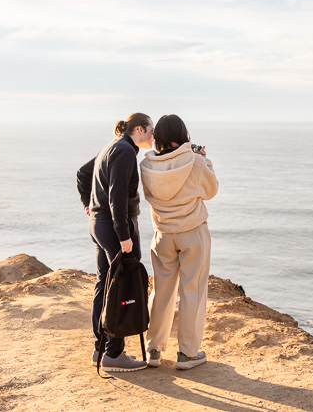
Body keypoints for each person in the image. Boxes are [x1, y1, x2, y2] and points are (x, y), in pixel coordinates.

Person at [76, 112, 154, 373]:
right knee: (121, 285)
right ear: (140, 130)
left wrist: (88, 204)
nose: (153, 137)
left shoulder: (112, 146)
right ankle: (114, 353)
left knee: (105, 283)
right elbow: (117, 197)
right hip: (114, 227)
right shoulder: (123, 152)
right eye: (151, 131)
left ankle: (101, 347)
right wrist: (124, 236)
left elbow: (82, 173)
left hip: (99, 226)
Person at [139, 114, 218, 370]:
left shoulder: (146, 165)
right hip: (192, 230)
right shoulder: (194, 161)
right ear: (184, 134)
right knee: (192, 289)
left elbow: (151, 196)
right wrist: (204, 159)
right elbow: (210, 190)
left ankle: (153, 349)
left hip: (162, 234)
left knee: (161, 290)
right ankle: (187, 353)